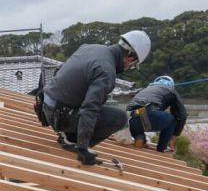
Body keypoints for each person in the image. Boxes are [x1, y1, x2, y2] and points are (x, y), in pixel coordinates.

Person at [42, 30, 150, 165]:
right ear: (130, 57)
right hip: (60, 115)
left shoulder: (89, 47)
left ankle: (69, 136)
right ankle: (72, 141)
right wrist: (83, 146)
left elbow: (60, 71)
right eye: (132, 65)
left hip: (48, 106)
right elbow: (90, 109)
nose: (129, 67)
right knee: (120, 117)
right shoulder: (106, 71)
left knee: (100, 104)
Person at [126, 75, 188, 152]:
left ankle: (140, 138)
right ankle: (162, 148)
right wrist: (175, 135)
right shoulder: (171, 91)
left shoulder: (146, 89)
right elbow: (182, 115)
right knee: (174, 119)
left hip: (132, 117)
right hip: (150, 112)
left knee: (142, 115)